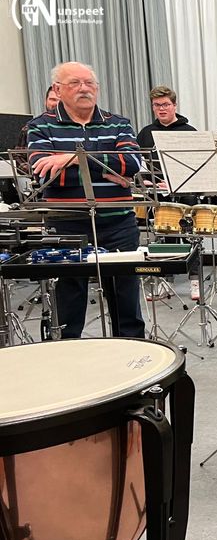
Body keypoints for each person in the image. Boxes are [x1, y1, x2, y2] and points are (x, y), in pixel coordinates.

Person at [26, 61, 145, 338]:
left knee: (126, 300)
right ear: (58, 89)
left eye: (89, 83)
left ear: (97, 88)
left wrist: (71, 158)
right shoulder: (40, 126)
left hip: (118, 223)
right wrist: (107, 168)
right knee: (68, 300)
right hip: (66, 223)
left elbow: (132, 163)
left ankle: (132, 351)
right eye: (75, 83)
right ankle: (70, 353)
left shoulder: (118, 123)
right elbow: (45, 174)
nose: (84, 89)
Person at [138, 85, 202, 300]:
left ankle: (195, 281)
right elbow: (138, 164)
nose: (161, 109)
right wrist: (147, 180)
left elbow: (199, 166)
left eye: (165, 104)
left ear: (174, 105)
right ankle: (166, 281)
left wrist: (176, 181)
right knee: (165, 237)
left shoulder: (189, 132)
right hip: (159, 193)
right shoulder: (146, 133)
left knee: (191, 236)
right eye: (157, 105)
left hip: (186, 192)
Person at [3, 88, 60, 204]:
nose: (56, 104)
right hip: (42, 188)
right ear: (45, 101)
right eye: (52, 99)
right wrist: (35, 171)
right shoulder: (32, 127)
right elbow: (18, 156)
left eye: (60, 100)